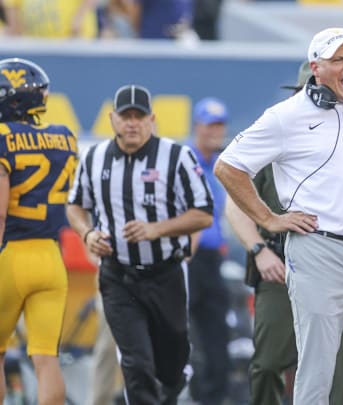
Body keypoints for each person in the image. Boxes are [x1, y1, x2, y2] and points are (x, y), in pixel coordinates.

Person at [214, 27, 343, 404]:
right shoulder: (285, 116)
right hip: (320, 252)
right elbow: (228, 166)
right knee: (317, 373)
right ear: (316, 68)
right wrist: (269, 219)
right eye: (338, 60)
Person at [65, 84, 214, 404]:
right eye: (125, 116)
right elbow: (75, 204)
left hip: (165, 273)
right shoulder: (94, 157)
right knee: (136, 363)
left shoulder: (176, 156)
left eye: (139, 116)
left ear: (152, 119)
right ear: (112, 119)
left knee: (172, 365)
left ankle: (173, 383)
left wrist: (157, 229)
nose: (132, 123)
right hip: (118, 275)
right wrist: (88, 234)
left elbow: (203, 215)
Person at [224, 60, 343, 405]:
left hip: (337, 268)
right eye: (308, 92)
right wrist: (258, 249)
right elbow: (234, 202)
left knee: (334, 376)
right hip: (281, 265)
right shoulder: (274, 135)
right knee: (266, 366)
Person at [0, 57, 78, 405]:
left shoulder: (3, 137)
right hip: (50, 256)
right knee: (46, 359)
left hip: (11, 256)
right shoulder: (64, 137)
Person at [186, 97, 231, 405]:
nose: (215, 132)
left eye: (219, 125)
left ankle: (211, 396)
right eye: (210, 125)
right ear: (197, 127)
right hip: (188, 258)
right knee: (182, 330)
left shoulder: (220, 164)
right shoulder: (184, 160)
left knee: (216, 332)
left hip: (213, 258)